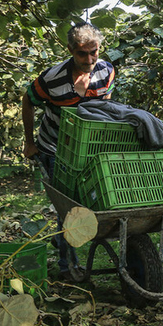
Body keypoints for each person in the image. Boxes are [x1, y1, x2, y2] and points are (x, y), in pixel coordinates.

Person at [23, 22, 116, 280]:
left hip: (87, 146)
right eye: (82, 54)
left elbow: (106, 105)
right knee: (68, 207)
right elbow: (28, 100)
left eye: (94, 52)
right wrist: (29, 143)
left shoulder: (106, 71)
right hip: (55, 147)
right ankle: (67, 266)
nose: (89, 59)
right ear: (70, 51)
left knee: (87, 198)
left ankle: (62, 238)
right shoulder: (52, 79)